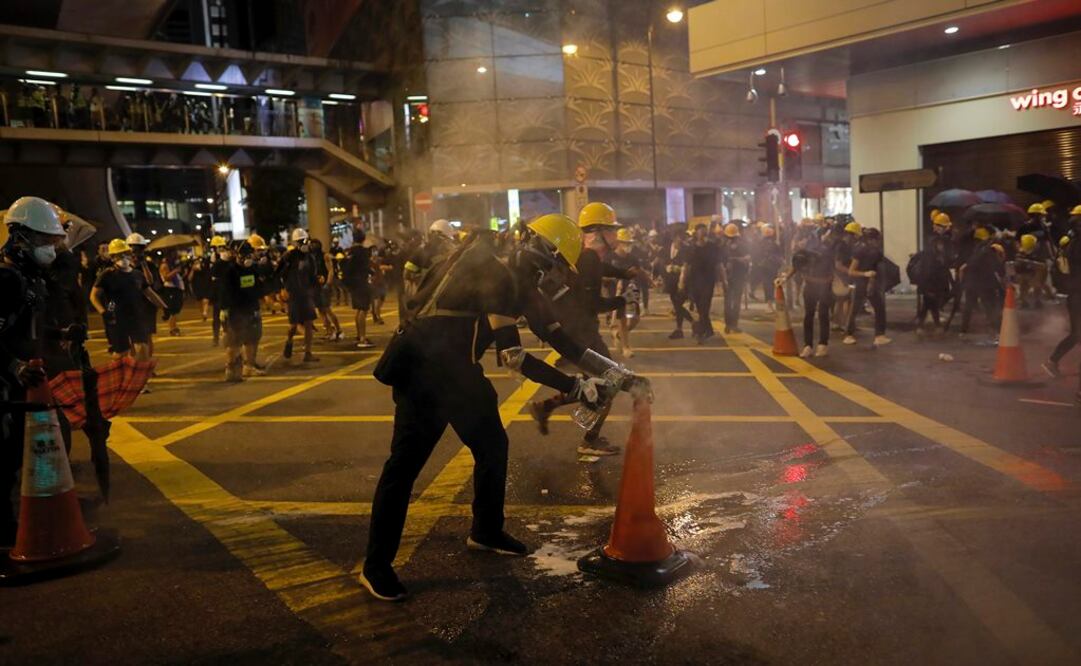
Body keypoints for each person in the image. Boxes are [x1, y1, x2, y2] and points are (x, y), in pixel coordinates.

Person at [361, 213, 644, 601]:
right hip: (424, 373)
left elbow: (564, 340)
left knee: (493, 446)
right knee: (404, 467)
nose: (558, 277)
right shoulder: (496, 274)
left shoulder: (513, 277)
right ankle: (375, 566)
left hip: (460, 371)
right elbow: (514, 357)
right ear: (542, 253)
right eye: (558, 265)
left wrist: (619, 375)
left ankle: (486, 531)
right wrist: (575, 385)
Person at [530, 202, 638, 457]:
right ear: (599, 231)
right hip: (582, 331)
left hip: (576, 327)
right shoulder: (589, 258)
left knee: (597, 382)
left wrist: (625, 274)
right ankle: (590, 439)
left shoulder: (583, 253)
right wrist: (622, 301)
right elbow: (592, 303)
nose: (615, 234)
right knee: (611, 382)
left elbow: (603, 270)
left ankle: (546, 406)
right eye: (611, 229)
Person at [0, 197, 70, 546]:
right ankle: (3, 526)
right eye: (44, 241)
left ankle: (44, 511)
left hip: (31, 383)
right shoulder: (5, 279)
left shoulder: (33, 279)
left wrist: (61, 335)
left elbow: (30, 329)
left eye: (53, 241)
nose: (51, 250)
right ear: (20, 237)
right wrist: (14, 366)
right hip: (7, 384)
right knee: (6, 456)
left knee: (49, 446)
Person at [90, 239, 168, 361]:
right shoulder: (107, 274)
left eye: (126, 253)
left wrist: (164, 307)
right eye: (119, 255)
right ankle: (118, 376)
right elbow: (94, 296)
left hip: (136, 315)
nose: (124, 257)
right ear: (112, 257)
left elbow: (150, 293)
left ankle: (138, 378)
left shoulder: (137, 274)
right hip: (116, 316)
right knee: (122, 353)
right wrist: (104, 312)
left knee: (142, 349)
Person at [778, 225, 837, 357]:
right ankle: (808, 345)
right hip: (810, 286)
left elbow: (833, 270)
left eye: (801, 240)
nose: (799, 242)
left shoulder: (823, 254)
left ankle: (823, 344)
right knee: (808, 315)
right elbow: (795, 267)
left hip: (824, 287)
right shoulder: (800, 254)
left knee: (823, 314)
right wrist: (785, 278)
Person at [1042, 207, 1081, 388]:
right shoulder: (1077, 243)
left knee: (1077, 333)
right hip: (1078, 294)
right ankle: (1052, 361)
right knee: (1076, 333)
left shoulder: (1072, 241)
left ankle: (1052, 361)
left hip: (1075, 293)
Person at [221, 241, 268, 381]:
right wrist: (224, 310)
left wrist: (258, 307)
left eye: (248, 254)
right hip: (236, 311)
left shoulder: (253, 269)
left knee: (252, 339)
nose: (246, 257)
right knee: (234, 342)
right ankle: (230, 368)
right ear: (236, 255)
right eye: (243, 254)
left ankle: (249, 366)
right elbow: (224, 292)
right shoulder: (230, 271)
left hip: (251, 309)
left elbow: (258, 288)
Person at [277, 228, 321, 362]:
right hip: (293, 294)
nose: (304, 243)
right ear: (296, 243)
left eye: (305, 240)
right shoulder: (289, 256)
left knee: (308, 323)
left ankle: (308, 352)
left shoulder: (310, 257)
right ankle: (289, 340)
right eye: (301, 241)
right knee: (293, 325)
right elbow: (279, 273)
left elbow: (313, 275)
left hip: (306, 294)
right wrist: (283, 289)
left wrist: (318, 281)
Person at [843, 226, 890, 346]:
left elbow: (876, 269)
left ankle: (879, 335)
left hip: (870, 283)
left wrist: (872, 280)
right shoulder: (860, 250)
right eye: (876, 239)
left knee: (879, 308)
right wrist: (865, 274)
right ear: (871, 239)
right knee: (855, 308)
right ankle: (848, 334)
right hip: (860, 282)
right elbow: (851, 271)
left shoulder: (876, 252)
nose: (878, 242)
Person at [912, 213, 955, 336]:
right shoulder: (937, 241)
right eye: (945, 227)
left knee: (929, 302)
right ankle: (932, 325)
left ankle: (925, 325)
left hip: (931, 277)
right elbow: (940, 259)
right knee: (930, 301)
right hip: (931, 277)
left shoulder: (933, 239)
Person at [959, 227, 1004, 338]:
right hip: (984, 283)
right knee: (990, 307)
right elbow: (996, 266)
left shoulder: (976, 250)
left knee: (968, 307)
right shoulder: (988, 251)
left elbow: (970, 264)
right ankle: (996, 330)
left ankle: (963, 331)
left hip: (971, 282)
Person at [685, 223, 721, 341]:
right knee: (700, 308)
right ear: (696, 233)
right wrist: (682, 280)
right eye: (700, 231)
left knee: (705, 306)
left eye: (704, 232)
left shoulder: (712, 247)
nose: (703, 234)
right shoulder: (691, 248)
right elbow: (687, 266)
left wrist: (722, 281)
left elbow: (718, 264)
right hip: (694, 281)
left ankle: (700, 332)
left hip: (708, 281)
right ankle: (708, 330)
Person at [343, 228, 376, 349]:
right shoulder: (362, 252)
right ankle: (362, 338)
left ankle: (359, 335)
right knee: (363, 309)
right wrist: (372, 273)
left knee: (359, 309)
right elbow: (365, 266)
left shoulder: (350, 251)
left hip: (353, 284)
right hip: (361, 283)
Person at [310, 237, 343, 341]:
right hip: (316, 286)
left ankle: (339, 330)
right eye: (311, 244)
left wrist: (328, 284)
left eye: (314, 244)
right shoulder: (312, 257)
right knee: (321, 310)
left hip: (324, 286)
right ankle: (329, 331)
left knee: (327, 309)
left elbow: (331, 271)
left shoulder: (325, 256)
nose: (312, 246)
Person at [664, 230, 695, 339]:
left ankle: (690, 324)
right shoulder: (667, 247)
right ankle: (681, 328)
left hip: (682, 281)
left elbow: (687, 266)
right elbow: (663, 260)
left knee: (678, 304)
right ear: (674, 237)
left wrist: (679, 273)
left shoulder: (686, 249)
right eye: (678, 237)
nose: (680, 240)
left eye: (682, 237)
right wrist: (666, 268)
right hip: (670, 281)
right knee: (677, 305)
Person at [719, 222, 750, 334]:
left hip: (735, 275)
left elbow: (748, 257)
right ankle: (730, 324)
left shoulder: (740, 245)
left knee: (733, 301)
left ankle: (731, 324)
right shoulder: (724, 246)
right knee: (731, 301)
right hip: (730, 276)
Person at [159, 248, 185, 336]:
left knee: (176, 310)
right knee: (172, 311)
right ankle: (172, 329)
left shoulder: (172, 264)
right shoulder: (164, 265)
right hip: (170, 290)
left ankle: (174, 327)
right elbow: (166, 277)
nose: (176, 255)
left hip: (176, 289)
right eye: (174, 253)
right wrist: (176, 271)